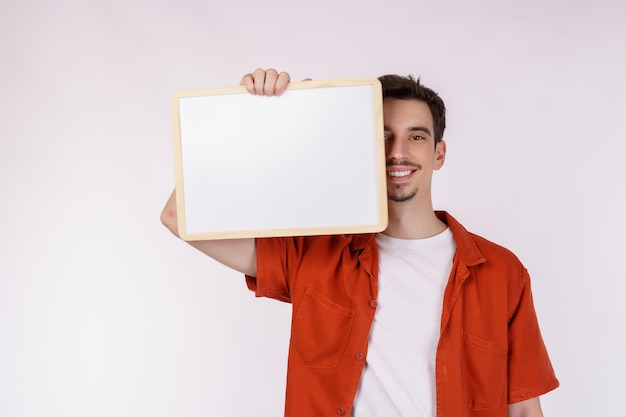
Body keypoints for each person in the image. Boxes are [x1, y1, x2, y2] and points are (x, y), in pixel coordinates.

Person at [161, 68, 559, 417]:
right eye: (381, 136)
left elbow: (523, 408)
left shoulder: (501, 272)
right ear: (361, 147)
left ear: (439, 153)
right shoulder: (315, 253)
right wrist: (258, 120)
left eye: (416, 136)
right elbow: (180, 216)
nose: (397, 152)